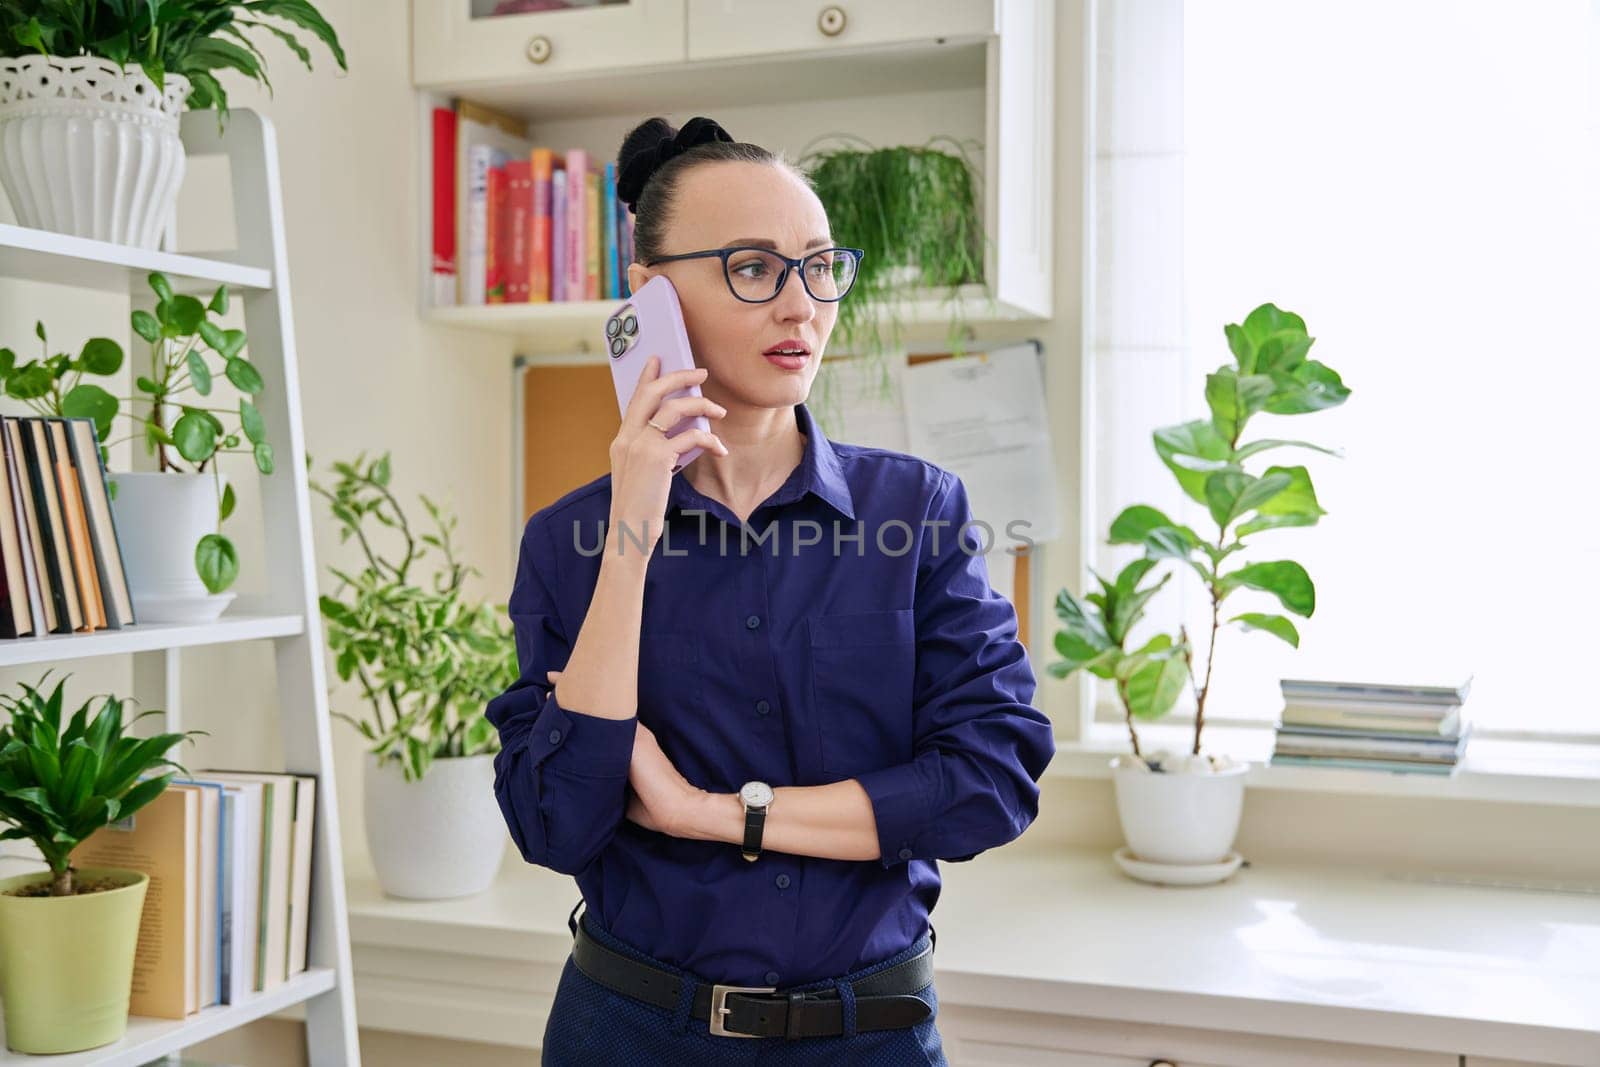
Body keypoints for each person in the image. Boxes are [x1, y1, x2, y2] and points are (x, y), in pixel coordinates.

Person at [484, 114, 1056, 1064]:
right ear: (650, 297)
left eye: (821, 266)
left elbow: (992, 779)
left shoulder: (916, 512)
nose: (802, 308)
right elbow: (553, 820)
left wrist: (712, 811)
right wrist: (632, 531)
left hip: (869, 1038)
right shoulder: (568, 542)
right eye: (753, 268)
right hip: (630, 1032)